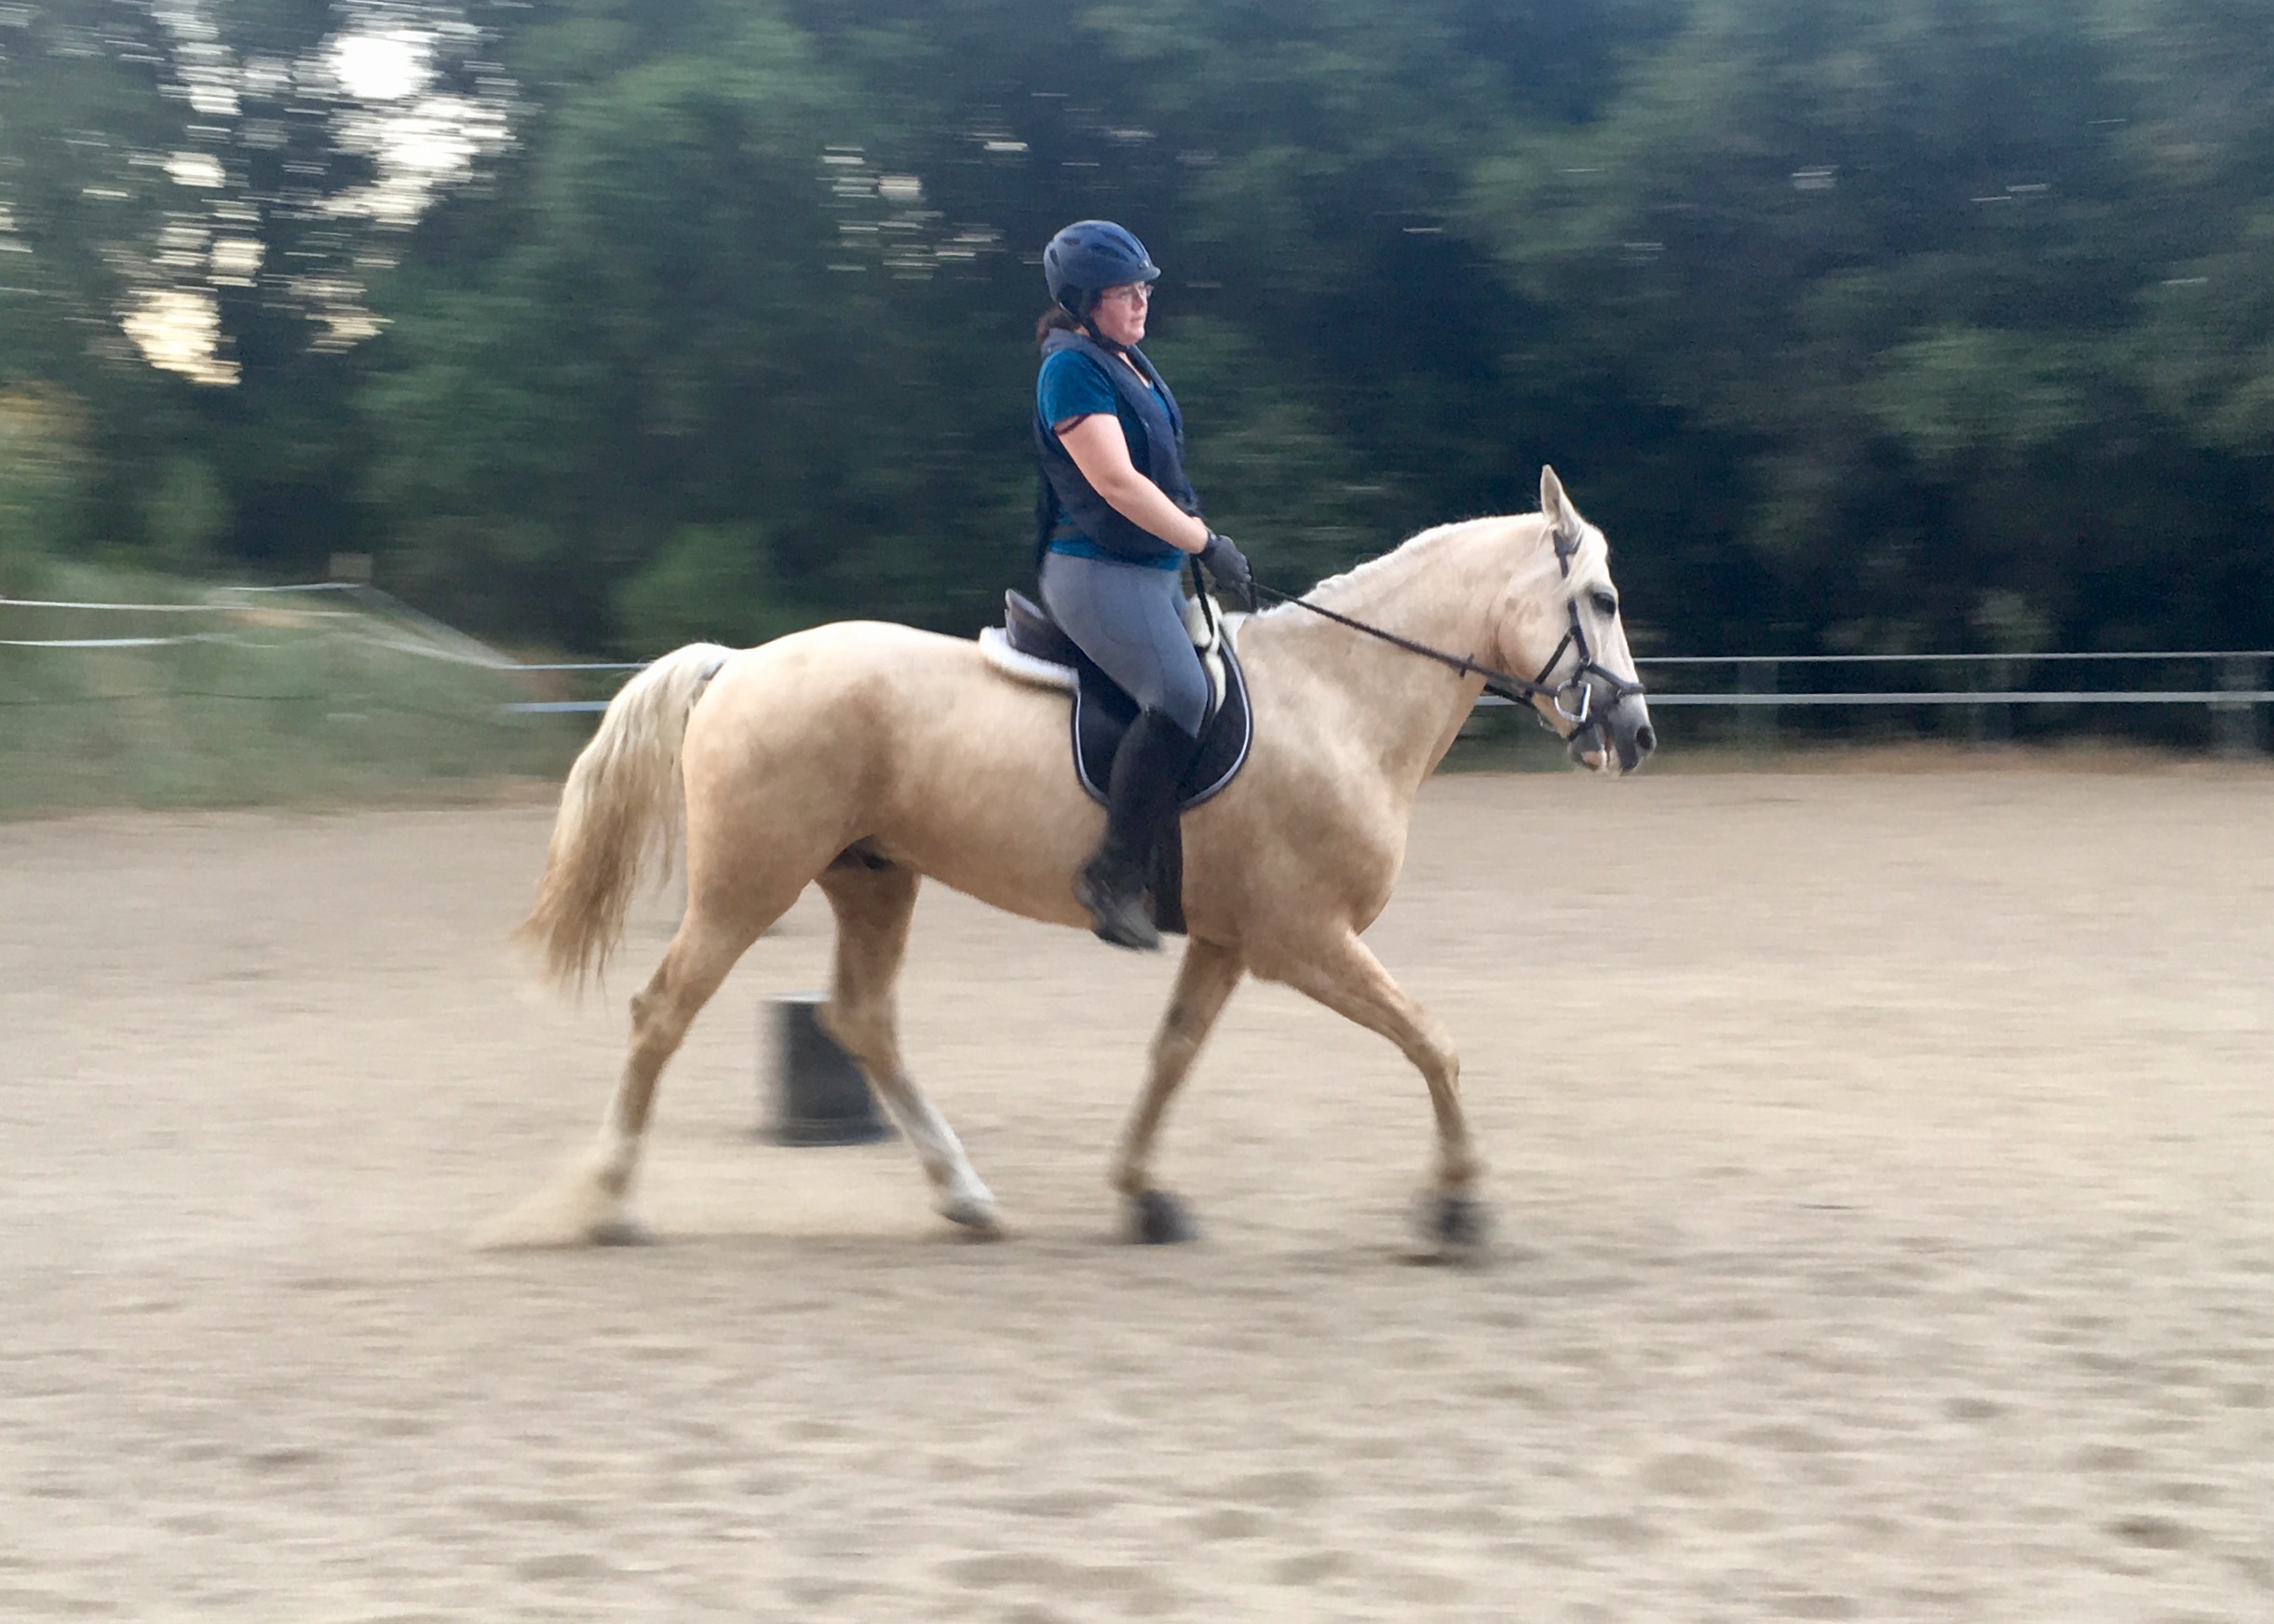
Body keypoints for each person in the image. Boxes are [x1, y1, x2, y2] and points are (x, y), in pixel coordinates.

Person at [1032, 219, 1254, 952]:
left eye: (1143, 289)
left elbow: (1162, 476)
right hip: (1096, 571)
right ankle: (1113, 877)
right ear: (1084, 300)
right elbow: (1118, 484)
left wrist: (1193, 540)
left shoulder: (1129, 362)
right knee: (1183, 695)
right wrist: (1205, 541)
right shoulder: (1069, 368)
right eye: (1125, 292)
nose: (1141, 301)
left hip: (1151, 572)